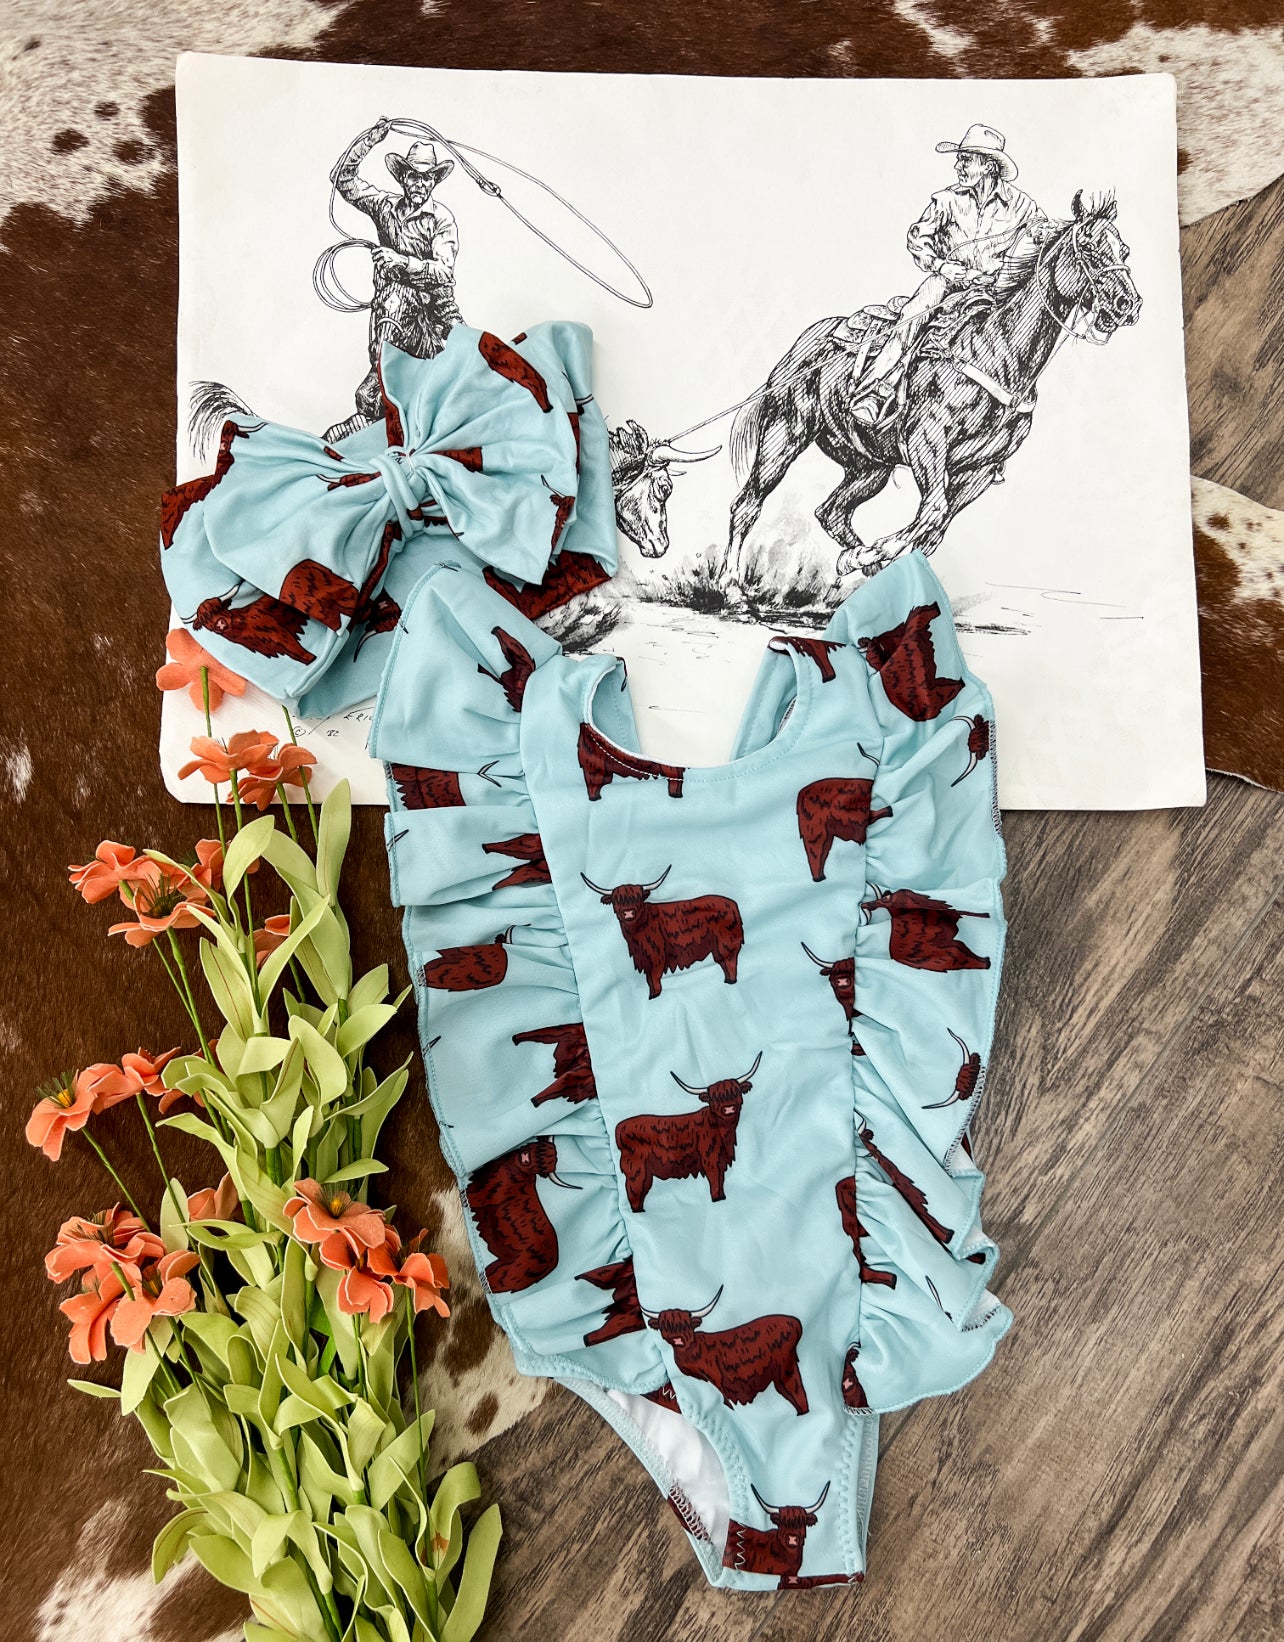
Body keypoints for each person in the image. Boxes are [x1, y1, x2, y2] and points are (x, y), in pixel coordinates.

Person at [835, 125, 1053, 428]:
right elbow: (917, 239)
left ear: (988, 166)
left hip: (994, 290)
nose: (958, 166)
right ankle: (874, 391)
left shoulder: (1023, 207)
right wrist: (941, 266)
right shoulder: (946, 200)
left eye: (966, 160)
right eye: (959, 160)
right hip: (946, 283)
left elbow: (1044, 238)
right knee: (913, 315)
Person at [327, 121, 464, 438]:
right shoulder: (384, 206)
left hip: (437, 311)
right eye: (413, 176)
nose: (420, 184)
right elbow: (342, 179)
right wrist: (369, 139)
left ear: (434, 181)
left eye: (426, 178)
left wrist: (400, 261)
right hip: (391, 308)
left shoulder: (442, 219)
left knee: (470, 362)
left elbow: (444, 272)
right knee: (376, 377)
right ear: (403, 177)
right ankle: (375, 414)